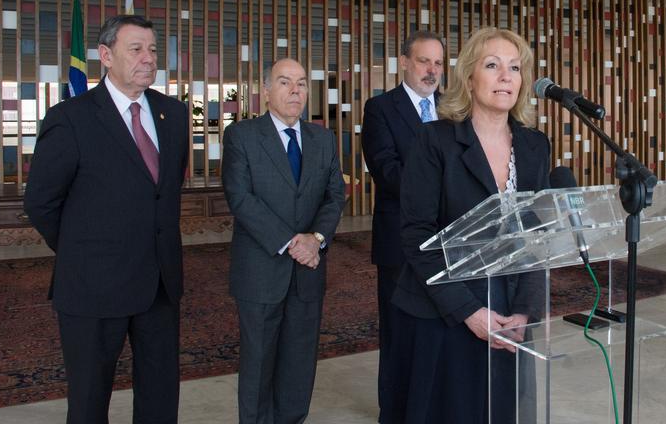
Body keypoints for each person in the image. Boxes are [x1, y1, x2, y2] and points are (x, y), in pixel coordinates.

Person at [24, 15, 189, 424]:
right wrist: (84, 249)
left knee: (160, 397)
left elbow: (164, 193)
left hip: (159, 285)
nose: (148, 58)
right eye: (136, 49)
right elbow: (42, 202)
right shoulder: (71, 117)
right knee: (89, 401)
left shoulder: (173, 114)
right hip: (93, 285)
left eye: (152, 49)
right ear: (105, 55)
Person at [388, 28, 549, 423]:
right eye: (492, 65)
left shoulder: (535, 146)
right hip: (445, 311)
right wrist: (470, 312)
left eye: (515, 68)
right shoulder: (435, 140)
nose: (506, 76)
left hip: (509, 313)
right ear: (469, 78)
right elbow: (417, 235)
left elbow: (537, 236)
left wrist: (525, 312)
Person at [222, 58, 345, 424]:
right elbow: (240, 198)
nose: (295, 91)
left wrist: (316, 239)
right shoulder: (242, 136)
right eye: (285, 82)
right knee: (258, 365)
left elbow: (334, 196)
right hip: (261, 271)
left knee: (299, 363)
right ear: (266, 90)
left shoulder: (323, 139)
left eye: (302, 83)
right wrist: (294, 243)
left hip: (308, 272)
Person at [360, 30, 444, 419]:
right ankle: (394, 413)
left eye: (438, 63)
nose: (432, 70)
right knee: (399, 332)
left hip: (449, 239)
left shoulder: (454, 108)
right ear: (405, 62)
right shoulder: (380, 108)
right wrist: (444, 187)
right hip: (399, 240)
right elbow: (387, 171)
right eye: (424, 61)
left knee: (440, 328)